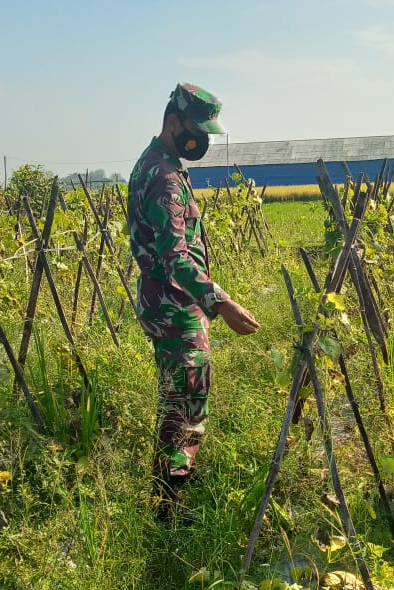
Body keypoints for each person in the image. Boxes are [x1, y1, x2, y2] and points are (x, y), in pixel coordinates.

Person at [127, 83, 260, 525]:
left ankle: (170, 491)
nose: (200, 139)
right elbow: (176, 257)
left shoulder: (158, 165)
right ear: (172, 122)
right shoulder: (164, 177)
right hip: (174, 305)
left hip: (168, 303)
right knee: (184, 400)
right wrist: (221, 303)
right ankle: (169, 508)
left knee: (178, 397)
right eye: (196, 130)